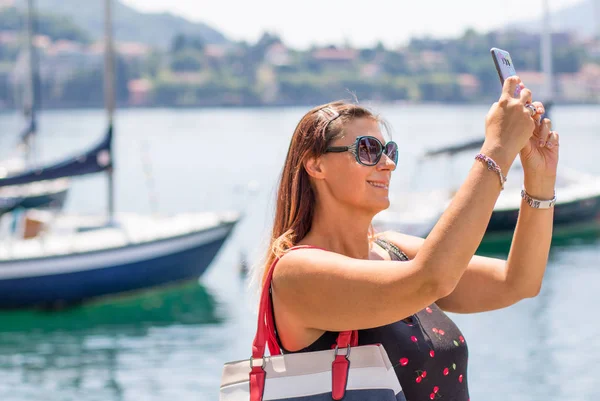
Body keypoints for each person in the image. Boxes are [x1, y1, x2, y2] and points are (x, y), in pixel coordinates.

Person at [255, 76, 559, 401]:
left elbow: (518, 282)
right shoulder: (296, 273)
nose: (387, 164)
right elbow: (431, 279)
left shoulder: (395, 250)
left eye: (388, 151)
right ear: (315, 165)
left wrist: (540, 180)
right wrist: (497, 148)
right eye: (368, 150)